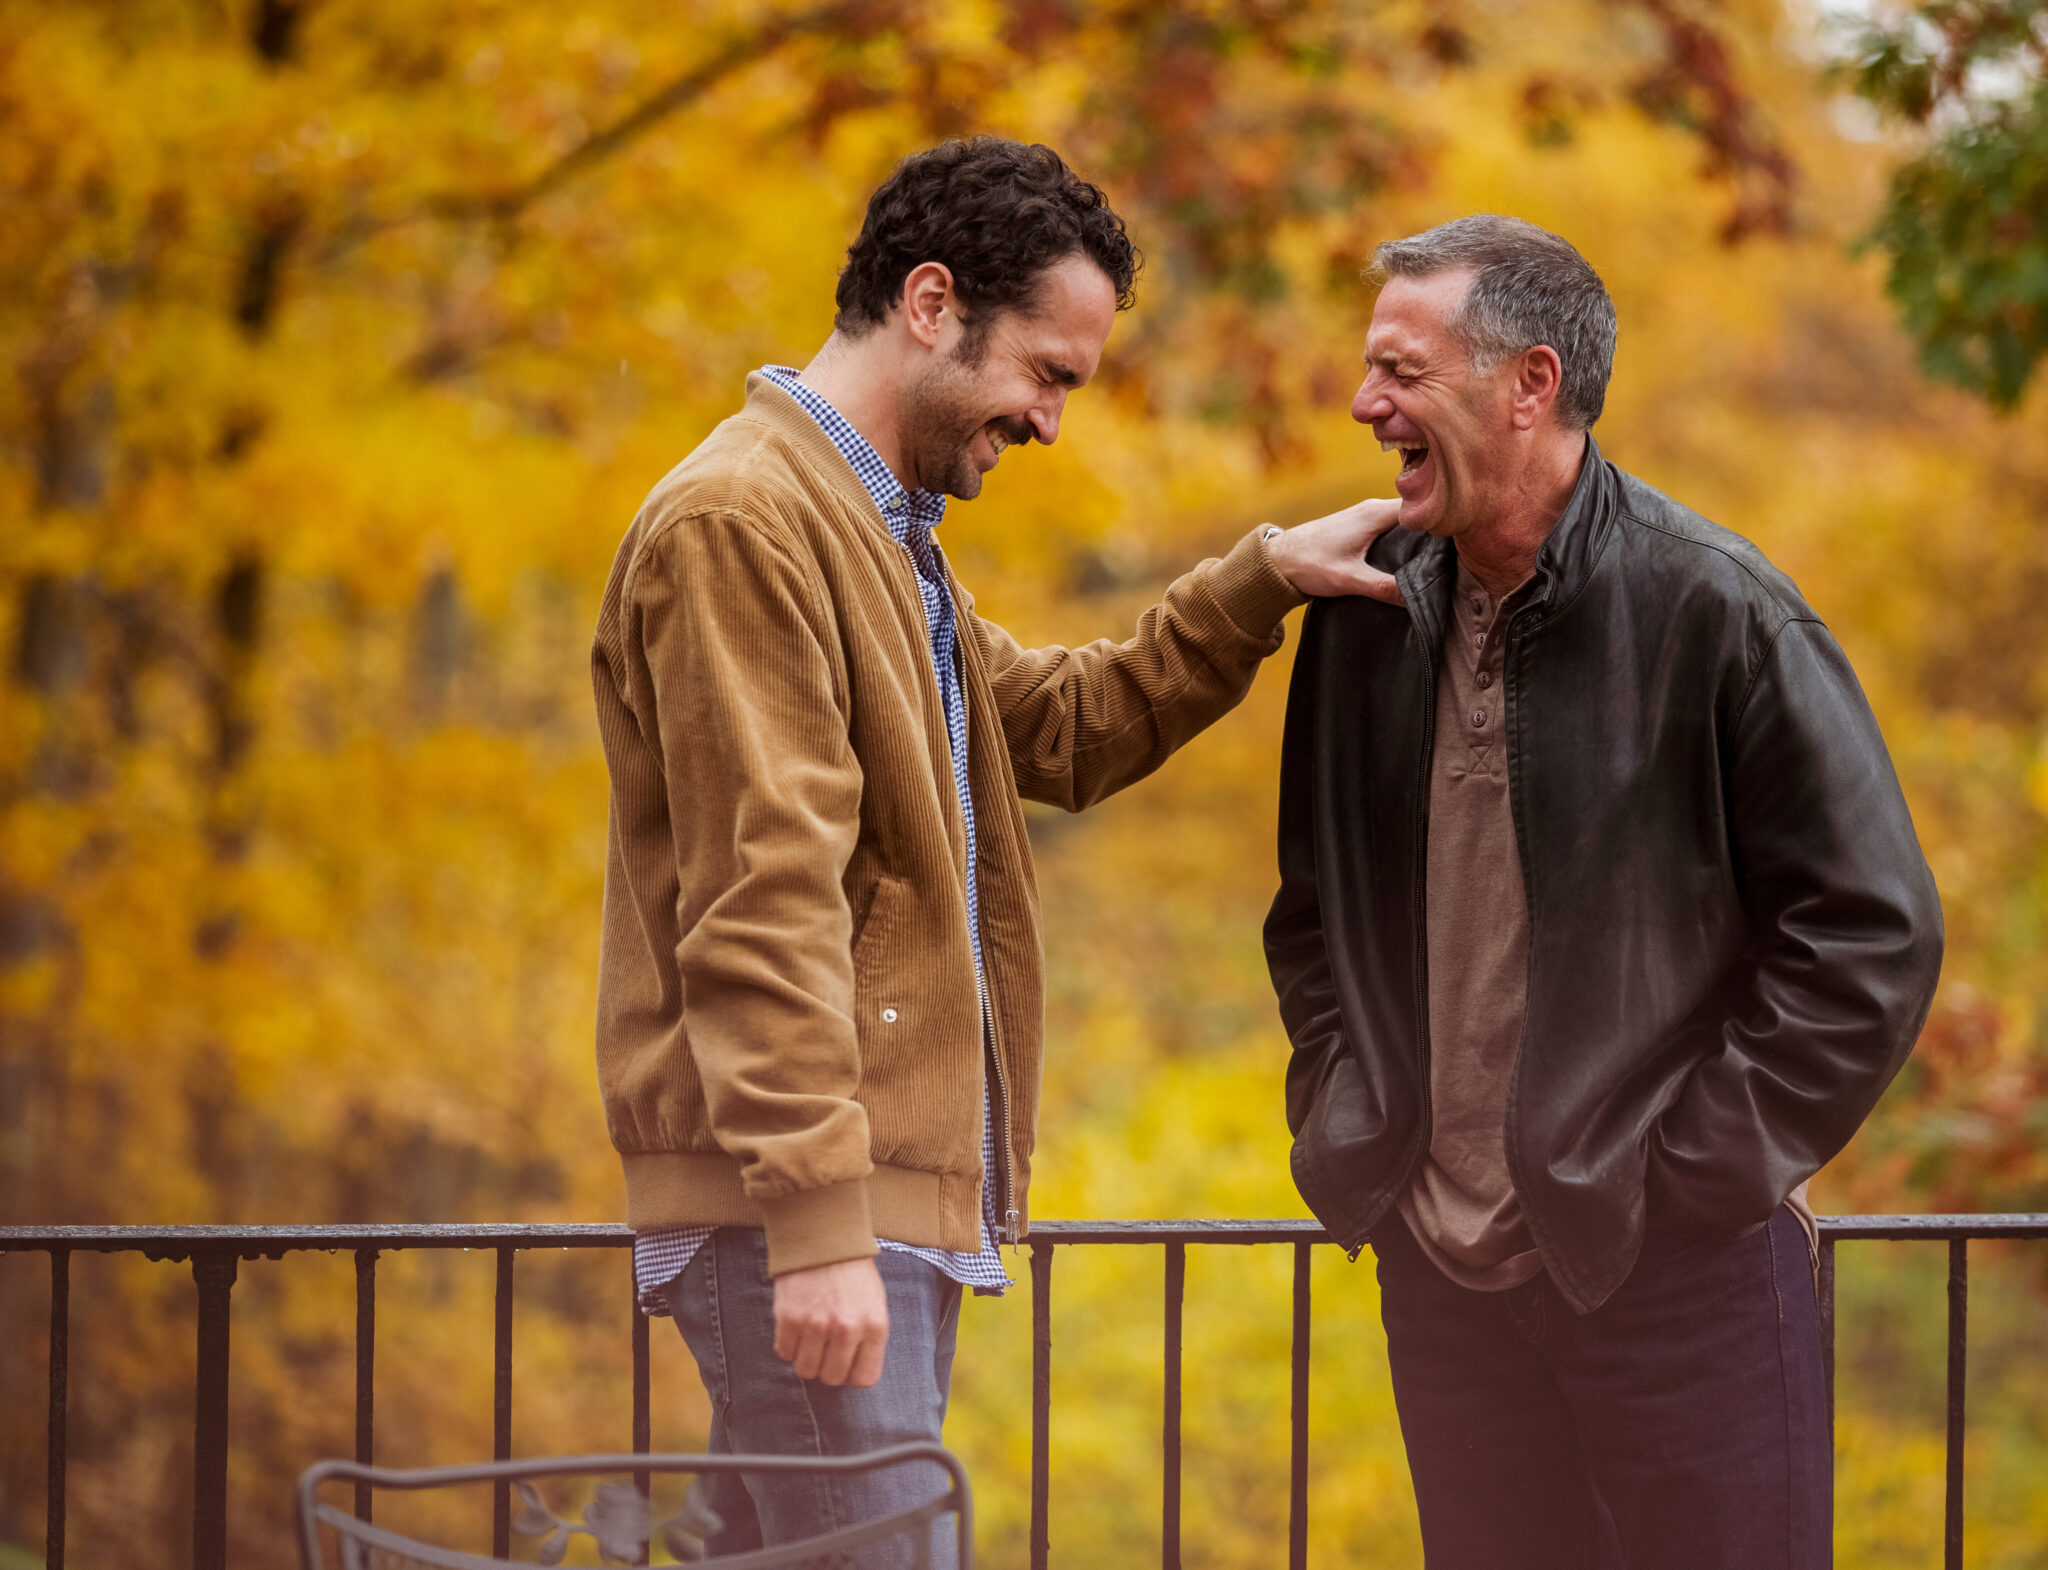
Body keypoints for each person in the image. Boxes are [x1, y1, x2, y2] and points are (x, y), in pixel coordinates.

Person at [589, 136, 1399, 1565]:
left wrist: (1262, 576)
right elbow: (759, 896)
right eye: (1048, 371)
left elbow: (1063, 729)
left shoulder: (880, 535)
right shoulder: (745, 520)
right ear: (929, 301)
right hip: (816, 1220)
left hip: (865, 1211)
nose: (1050, 421)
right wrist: (822, 1225)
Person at [1265, 215, 1944, 1570]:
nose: (1365, 404)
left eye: (1405, 370)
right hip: (1443, 1282)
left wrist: (1676, 1173)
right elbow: (1311, 914)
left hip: (1677, 1276)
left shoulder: (1721, 611)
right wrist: (1360, 1113)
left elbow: (1872, 932)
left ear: (1530, 384)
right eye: (1369, 369)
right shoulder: (1363, 615)